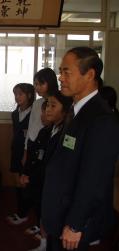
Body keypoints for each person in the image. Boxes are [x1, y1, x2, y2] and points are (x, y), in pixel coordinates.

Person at [42, 47, 119, 251]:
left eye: (67, 72)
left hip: (74, 221)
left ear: (90, 75)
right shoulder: (77, 110)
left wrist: (76, 224)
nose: (60, 78)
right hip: (60, 212)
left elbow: (95, 178)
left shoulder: (101, 119)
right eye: (60, 71)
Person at [7, 68, 58, 225]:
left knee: (38, 187)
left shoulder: (58, 100)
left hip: (46, 150)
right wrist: (26, 150)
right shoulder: (37, 104)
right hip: (30, 147)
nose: (37, 87)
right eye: (35, 84)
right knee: (24, 182)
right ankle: (25, 214)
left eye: (40, 84)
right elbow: (32, 129)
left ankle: (40, 224)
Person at [27, 91, 72, 251]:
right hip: (43, 182)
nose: (48, 109)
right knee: (44, 217)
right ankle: (44, 245)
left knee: (55, 225)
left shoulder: (67, 134)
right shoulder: (48, 130)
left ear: (66, 110)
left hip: (57, 189)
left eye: (53, 106)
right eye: (47, 105)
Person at [10, 83, 35, 173]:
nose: (17, 97)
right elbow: (15, 132)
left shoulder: (34, 112)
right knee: (16, 176)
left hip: (29, 150)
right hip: (16, 148)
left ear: (29, 95)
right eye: (15, 94)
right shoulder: (15, 114)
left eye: (20, 94)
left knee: (26, 177)